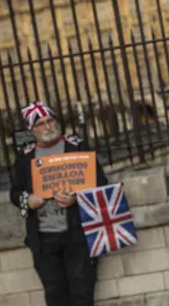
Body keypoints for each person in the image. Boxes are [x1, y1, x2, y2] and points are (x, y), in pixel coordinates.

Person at [9, 101, 108, 306]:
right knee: (55, 295)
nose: (48, 127)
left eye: (50, 121)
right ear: (32, 130)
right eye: (41, 124)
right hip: (44, 238)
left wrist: (76, 198)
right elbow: (14, 193)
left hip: (77, 233)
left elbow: (100, 183)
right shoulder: (24, 157)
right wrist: (28, 200)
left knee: (82, 292)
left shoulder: (76, 146)